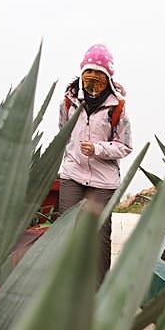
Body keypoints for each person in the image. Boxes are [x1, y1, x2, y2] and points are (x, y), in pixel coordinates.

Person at [58, 43, 132, 281]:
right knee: (65, 231)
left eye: (98, 75)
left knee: (100, 235)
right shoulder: (69, 102)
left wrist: (98, 149)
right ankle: (64, 285)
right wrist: (74, 155)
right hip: (73, 174)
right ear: (81, 73)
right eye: (88, 73)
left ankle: (98, 292)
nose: (92, 79)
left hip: (103, 180)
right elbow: (64, 132)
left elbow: (125, 146)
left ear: (107, 77)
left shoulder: (116, 107)